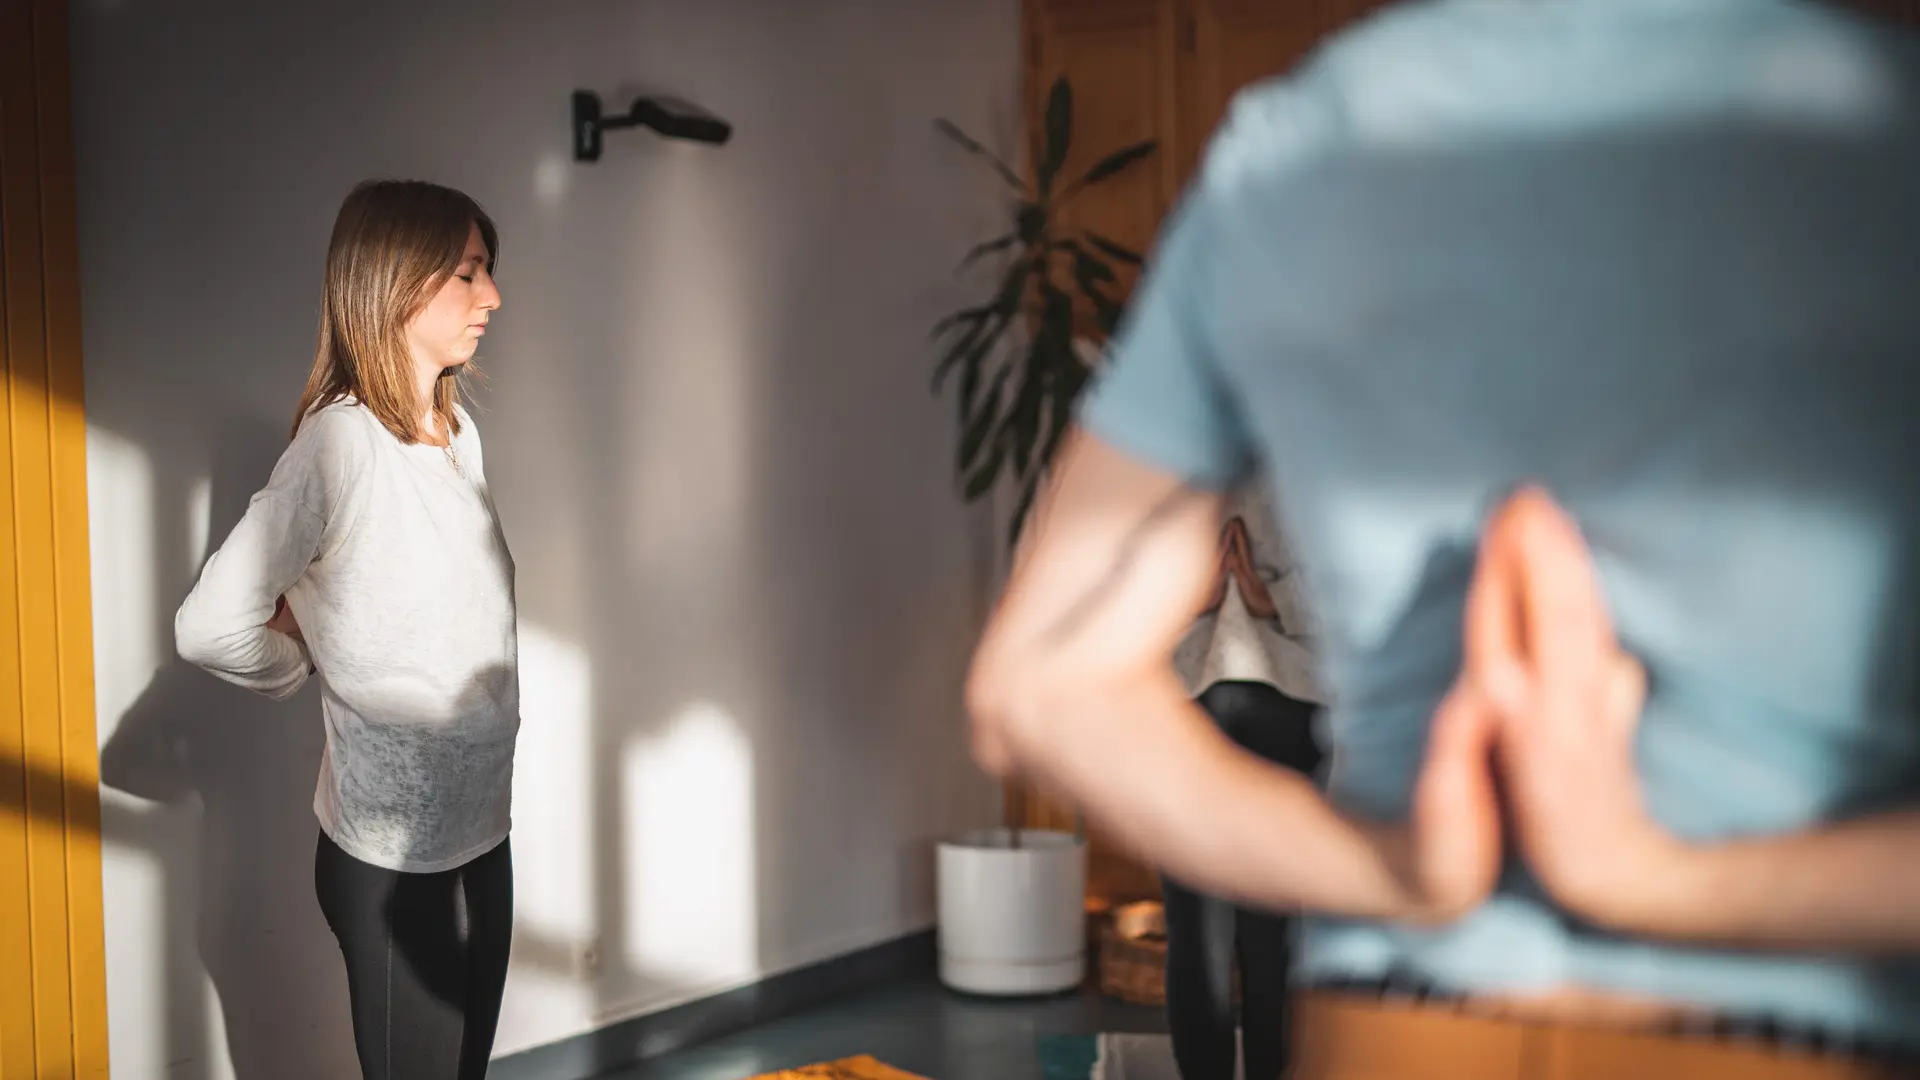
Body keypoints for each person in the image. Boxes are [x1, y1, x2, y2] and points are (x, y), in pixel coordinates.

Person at [967, 0, 1920, 1075]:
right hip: (1789, 1025)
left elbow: (1040, 684)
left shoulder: (1299, 144)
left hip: (1402, 1019)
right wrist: (1649, 878)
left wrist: (1395, 874)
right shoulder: (1886, 128)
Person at [177, 178, 517, 1080]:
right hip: (398, 862)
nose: (492, 297)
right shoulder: (339, 446)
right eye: (469, 273)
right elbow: (209, 626)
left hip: (481, 834)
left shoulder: (455, 431)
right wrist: (297, 658)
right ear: (398, 283)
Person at [1162, 483, 1324, 1080]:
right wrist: (1264, 599)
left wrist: (1263, 598)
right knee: (1246, 929)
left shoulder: (1170, 448)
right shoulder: (1305, 439)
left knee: (1240, 927)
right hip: (1220, 698)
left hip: (1254, 698)